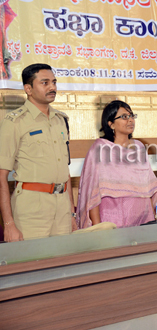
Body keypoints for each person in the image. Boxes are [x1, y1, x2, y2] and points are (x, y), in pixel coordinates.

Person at [0, 63, 76, 242]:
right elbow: (1, 176)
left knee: (63, 263)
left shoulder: (60, 120)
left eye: (54, 82)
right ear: (28, 89)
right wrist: (9, 224)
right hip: (31, 208)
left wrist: (71, 213)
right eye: (45, 83)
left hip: (62, 206)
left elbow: (65, 170)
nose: (52, 87)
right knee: (32, 264)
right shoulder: (14, 122)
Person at [76, 100, 157, 228]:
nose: (130, 120)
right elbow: (92, 193)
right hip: (112, 221)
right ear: (111, 124)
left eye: (132, 116)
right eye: (124, 117)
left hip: (143, 219)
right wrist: (97, 227)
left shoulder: (139, 147)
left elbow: (147, 188)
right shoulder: (100, 149)